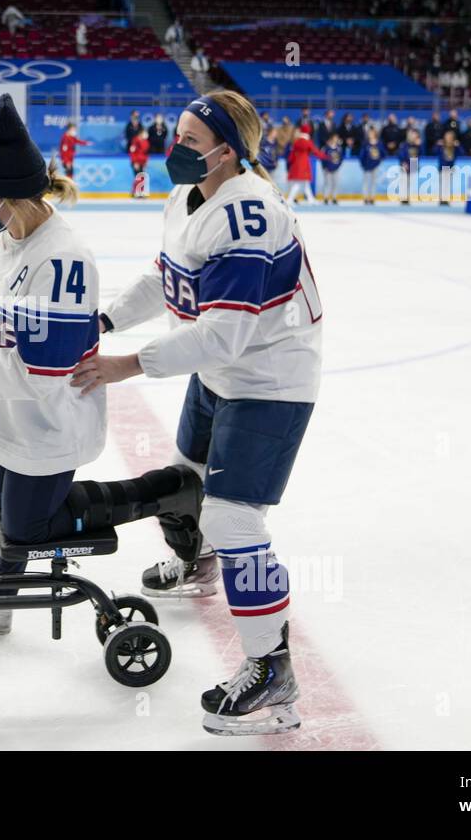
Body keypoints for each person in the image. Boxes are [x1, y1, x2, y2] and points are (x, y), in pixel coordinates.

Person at [72, 90, 322, 737]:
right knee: (187, 478)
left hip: (269, 377)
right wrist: (104, 320)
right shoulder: (187, 198)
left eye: (188, 139)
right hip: (222, 370)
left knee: (234, 514)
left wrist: (127, 365)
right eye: (175, 134)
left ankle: (271, 668)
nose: (174, 146)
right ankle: (199, 561)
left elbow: (224, 335)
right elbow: (165, 279)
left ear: (226, 150)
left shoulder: (251, 216)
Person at [0, 95, 202, 635]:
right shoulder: (0, 235)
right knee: (7, 504)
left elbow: (37, 374)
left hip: (52, 414)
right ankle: (2, 600)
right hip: (12, 412)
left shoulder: (61, 260)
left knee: (30, 524)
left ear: (10, 196)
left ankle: (165, 491)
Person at [283, 123, 323, 206]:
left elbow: (292, 154)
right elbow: (315, 151)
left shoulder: (297, 141)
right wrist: (325, 156)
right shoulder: (307, 141)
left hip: (296, 164)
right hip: (303, 164)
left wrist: (290, 163)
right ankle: (289, 199)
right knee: (298, 183)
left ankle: (310, 199)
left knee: (305, 183)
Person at [359, 127, 384, 205]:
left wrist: (378, 161)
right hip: (366, 165)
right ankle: (365, 197)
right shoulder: (365, 143)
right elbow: (361, 155)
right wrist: (363, 164)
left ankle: (372, 197)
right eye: (369, 133)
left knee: (373, 182)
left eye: (372, 133)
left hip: (375, 165)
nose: (371, 134)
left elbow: (383, 153)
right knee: (366, 181)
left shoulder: (379, 143)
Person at [398, 128, 423, 205]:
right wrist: (403, 162)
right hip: (405, 164)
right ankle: (403, 198)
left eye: (415, 135)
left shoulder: (417, 145)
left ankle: (408, 197)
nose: (413, 136)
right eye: (412, 134)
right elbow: (401, 154)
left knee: (410, 182)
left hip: (413, 164)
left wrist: (420, 146)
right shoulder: (404, 144)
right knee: (404, 182)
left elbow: (421, 154)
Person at [436, 129, 460, 206]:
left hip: (450, 167)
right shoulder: (441, 146)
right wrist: (438, 145)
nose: (448, 138)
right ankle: (442, 199)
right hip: (443, 167)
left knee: (448, 184)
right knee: (443, 183)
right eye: (447, 137)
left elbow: (462, 153)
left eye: (450, 137)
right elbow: (434, 151)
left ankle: (446, 199)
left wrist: (458, 146)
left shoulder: (454, 147)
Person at [319, 132, 343, 205]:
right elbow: (322, 158)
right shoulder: (325, 148)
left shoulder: (339, 148)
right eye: (335, 138)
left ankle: (334, 197)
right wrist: (324, 167)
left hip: (335, 169)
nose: (336, 139)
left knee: (335, 183)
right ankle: (326, 197)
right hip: (327, 169)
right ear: (331, 138)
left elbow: (341, 158)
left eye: (337, 138)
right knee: (327, 183)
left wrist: (337, 166)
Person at [128, 126, 150, 198]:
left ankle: (140, 193)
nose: (146, 134)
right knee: (138, 177)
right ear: (140, 133)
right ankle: (135, 192)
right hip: (136, 162)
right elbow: (132, 152)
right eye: (144, 133)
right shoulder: (135, 141)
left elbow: (146, 153)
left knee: (142, 178)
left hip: (142, 162)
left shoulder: (146, 142)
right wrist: (135, 162)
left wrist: (146, 162)